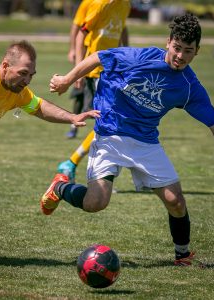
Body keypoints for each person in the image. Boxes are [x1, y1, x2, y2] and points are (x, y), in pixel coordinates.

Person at [42, 14, 214, 266]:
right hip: (110, 134)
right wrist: (67, 80)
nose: (180, 56)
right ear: (168, 42)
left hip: (145, 141)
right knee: (96, 203)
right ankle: (60, 187)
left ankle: (182, 254)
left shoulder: (189, 86)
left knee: (176, 201)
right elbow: (98, 57)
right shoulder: (141, 57)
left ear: (197, 52)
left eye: (187, 51)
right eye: (177, 48)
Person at [0, 40, 100, 259]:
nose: (26, 80)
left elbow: (39, 107)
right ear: (5, 65)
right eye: (23, 73)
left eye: (31, 75)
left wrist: (72, 117)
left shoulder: (16, 92)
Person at [58, 0, 131, 178]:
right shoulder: (100, 4)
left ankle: (73, 163)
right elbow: (80, 34)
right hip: (97, 71)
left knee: (112, 122)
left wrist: (129, 57)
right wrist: (78, 71)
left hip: (113, 71)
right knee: (111, 123)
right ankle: (93, 172)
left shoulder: (126, 4)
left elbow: (122, 29)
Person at [66, 0, 92, 139]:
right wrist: (72, 49)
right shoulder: (88, 3)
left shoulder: (121, 4)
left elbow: (122, 28)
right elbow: (76, 27)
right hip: (85, 53)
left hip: (103, 57)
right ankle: (73, 126)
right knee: (80, 91)